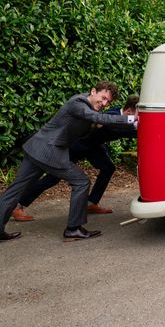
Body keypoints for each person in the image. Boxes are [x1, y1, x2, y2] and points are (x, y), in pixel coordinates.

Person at [0, 81, 138, 242]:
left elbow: (93, 121)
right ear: (93, 91)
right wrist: (131, 119)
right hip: (50, 150)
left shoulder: (87, 106)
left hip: (37, 149)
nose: (105, 103)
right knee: (81, 181)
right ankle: (73, 229)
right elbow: (94, 117)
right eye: (103, 98)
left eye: (108, 101)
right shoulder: (78, 103)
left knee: (14, 190)